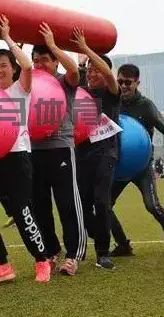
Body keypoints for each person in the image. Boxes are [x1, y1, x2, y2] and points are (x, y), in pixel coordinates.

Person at [0, 15, 52, 284]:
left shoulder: (20, 90)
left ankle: (42, 260)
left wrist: (7, 37)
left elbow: (27, 64)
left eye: (3, 65)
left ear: (12, 68)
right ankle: (2, 264)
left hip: (17, 157)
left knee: (22, 212)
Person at [109, 63, 164, 265]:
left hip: (141, 166)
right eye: (120, 82)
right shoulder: (113, 102)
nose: (123, 86)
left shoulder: (146, 106)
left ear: (137, 83)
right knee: (103, 205)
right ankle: (123, 245)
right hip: (119, 167)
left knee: (152, 206)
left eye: (128, 82)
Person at [29, 23, 87, 276]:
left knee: (67, 203)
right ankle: (52, 250)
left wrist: (53, 45)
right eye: (35, 60)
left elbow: (74, 69)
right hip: (34, 149)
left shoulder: (64, 82)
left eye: (44, 60)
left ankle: (73, 255)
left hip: (61, 148)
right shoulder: (28, 83)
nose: (39, 65)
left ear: (55, 62)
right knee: (40, 204)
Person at [73, 27, 121, 270]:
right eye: (90, 71)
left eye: (96, 70)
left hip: (106, 154)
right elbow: (76, 79)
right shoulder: (83, 92)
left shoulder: (111, 93)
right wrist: (81, 64)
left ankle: (103, 253)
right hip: (82, 154)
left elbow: (109, 75)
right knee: (81, 204)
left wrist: (86, 49)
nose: (92, 74)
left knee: (102, 202)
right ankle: (97, 235)